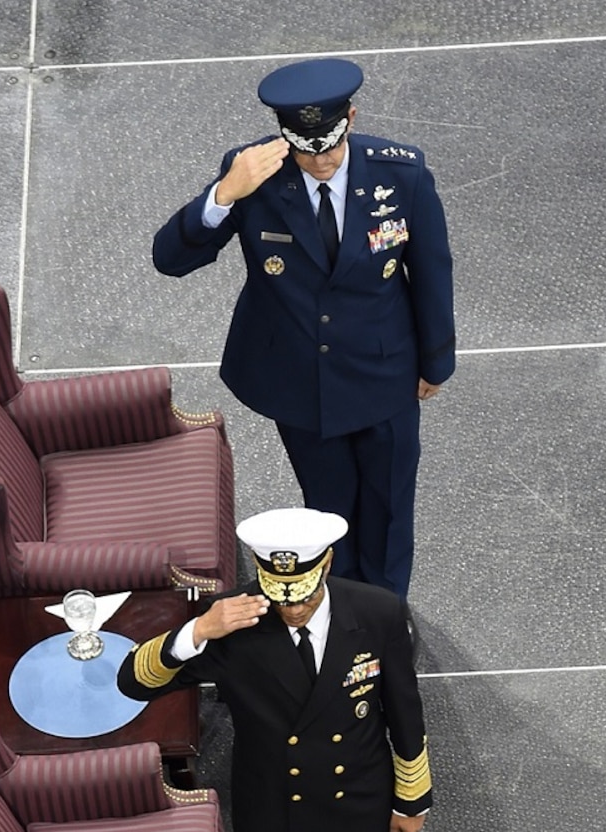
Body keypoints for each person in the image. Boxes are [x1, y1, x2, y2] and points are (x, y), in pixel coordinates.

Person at [151, 57, 455, 596]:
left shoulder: (400, 173)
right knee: (328, 506)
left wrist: (436, 362)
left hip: (384, 373)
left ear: (351, 119)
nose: (319, 162)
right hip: (297, 379)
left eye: (331, 147)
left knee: (388, 506)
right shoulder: (253, 175)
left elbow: (431, 270)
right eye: (305, 149)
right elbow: (171, 259)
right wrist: (225, 194)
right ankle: (338, 609)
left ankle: (384, 613)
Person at [118, 507, 431, 832]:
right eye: (282, 596)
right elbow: (133, 683)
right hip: (276, 805)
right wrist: (196, 632)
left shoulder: (377, 612)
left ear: (328, 563)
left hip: (359, 800)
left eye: (303, 594)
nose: (294, 608)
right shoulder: (231, 620)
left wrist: (411, 801)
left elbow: (403, 712)